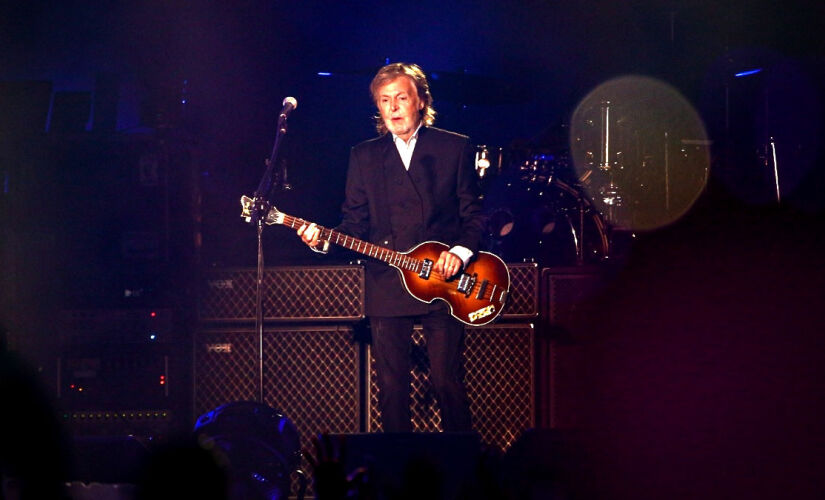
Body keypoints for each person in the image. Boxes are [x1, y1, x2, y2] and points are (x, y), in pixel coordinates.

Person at [297, 62, 486, 432]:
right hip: (387, 280)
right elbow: (354, 225)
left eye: (402, 98)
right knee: (392, 388)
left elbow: (475, 217)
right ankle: (397, 475)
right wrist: (321, 240)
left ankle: (463, 472)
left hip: (444, 284)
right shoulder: (364, 155)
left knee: (447, 382)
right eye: (385, 101)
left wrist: (460, 253)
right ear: (378, 108)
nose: (394, 107)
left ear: (421, 101)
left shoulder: (454, 147)